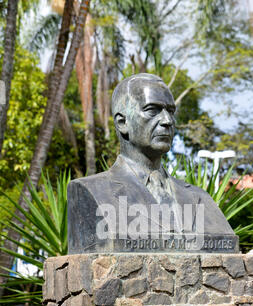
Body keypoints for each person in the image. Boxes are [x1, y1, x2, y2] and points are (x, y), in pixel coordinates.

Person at [67, 73, 238, 254]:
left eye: (170, 111)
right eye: (152, 110)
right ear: (122, 122)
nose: (167, 121)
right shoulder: (90, 191)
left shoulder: (200, 198)